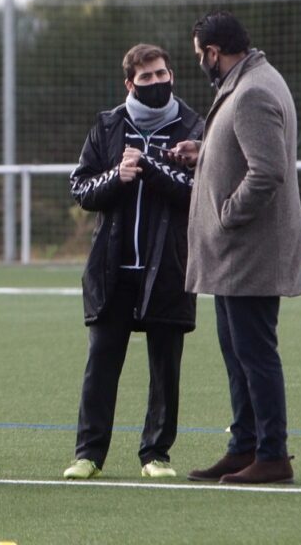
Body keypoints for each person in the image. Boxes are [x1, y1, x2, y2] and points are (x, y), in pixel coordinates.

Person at [173, 11, 301, 484]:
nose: (201, 64)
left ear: (214, 52)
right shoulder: (252, 79)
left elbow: (268, 170)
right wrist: (204, 153)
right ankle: (245, 446)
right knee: (237, 351)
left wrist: (228, 214)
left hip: (249, 250)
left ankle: (272, 454)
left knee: (254, 353)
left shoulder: (252, 90)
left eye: (199, 56)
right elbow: (246, 153)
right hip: (237, 255)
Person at [64, 44, 203, 480]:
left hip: (170, 267)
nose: (157, 83)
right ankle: (88, 454)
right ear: (130, 84)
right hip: (112, 270)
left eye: (162, 74)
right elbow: (82, 188)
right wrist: (117, 177)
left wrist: (151, 169)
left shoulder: (194, 125)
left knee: (166, 368)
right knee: (101, 365)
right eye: (146, 78)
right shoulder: (108, 126)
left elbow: (198, 189)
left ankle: (156, 454)